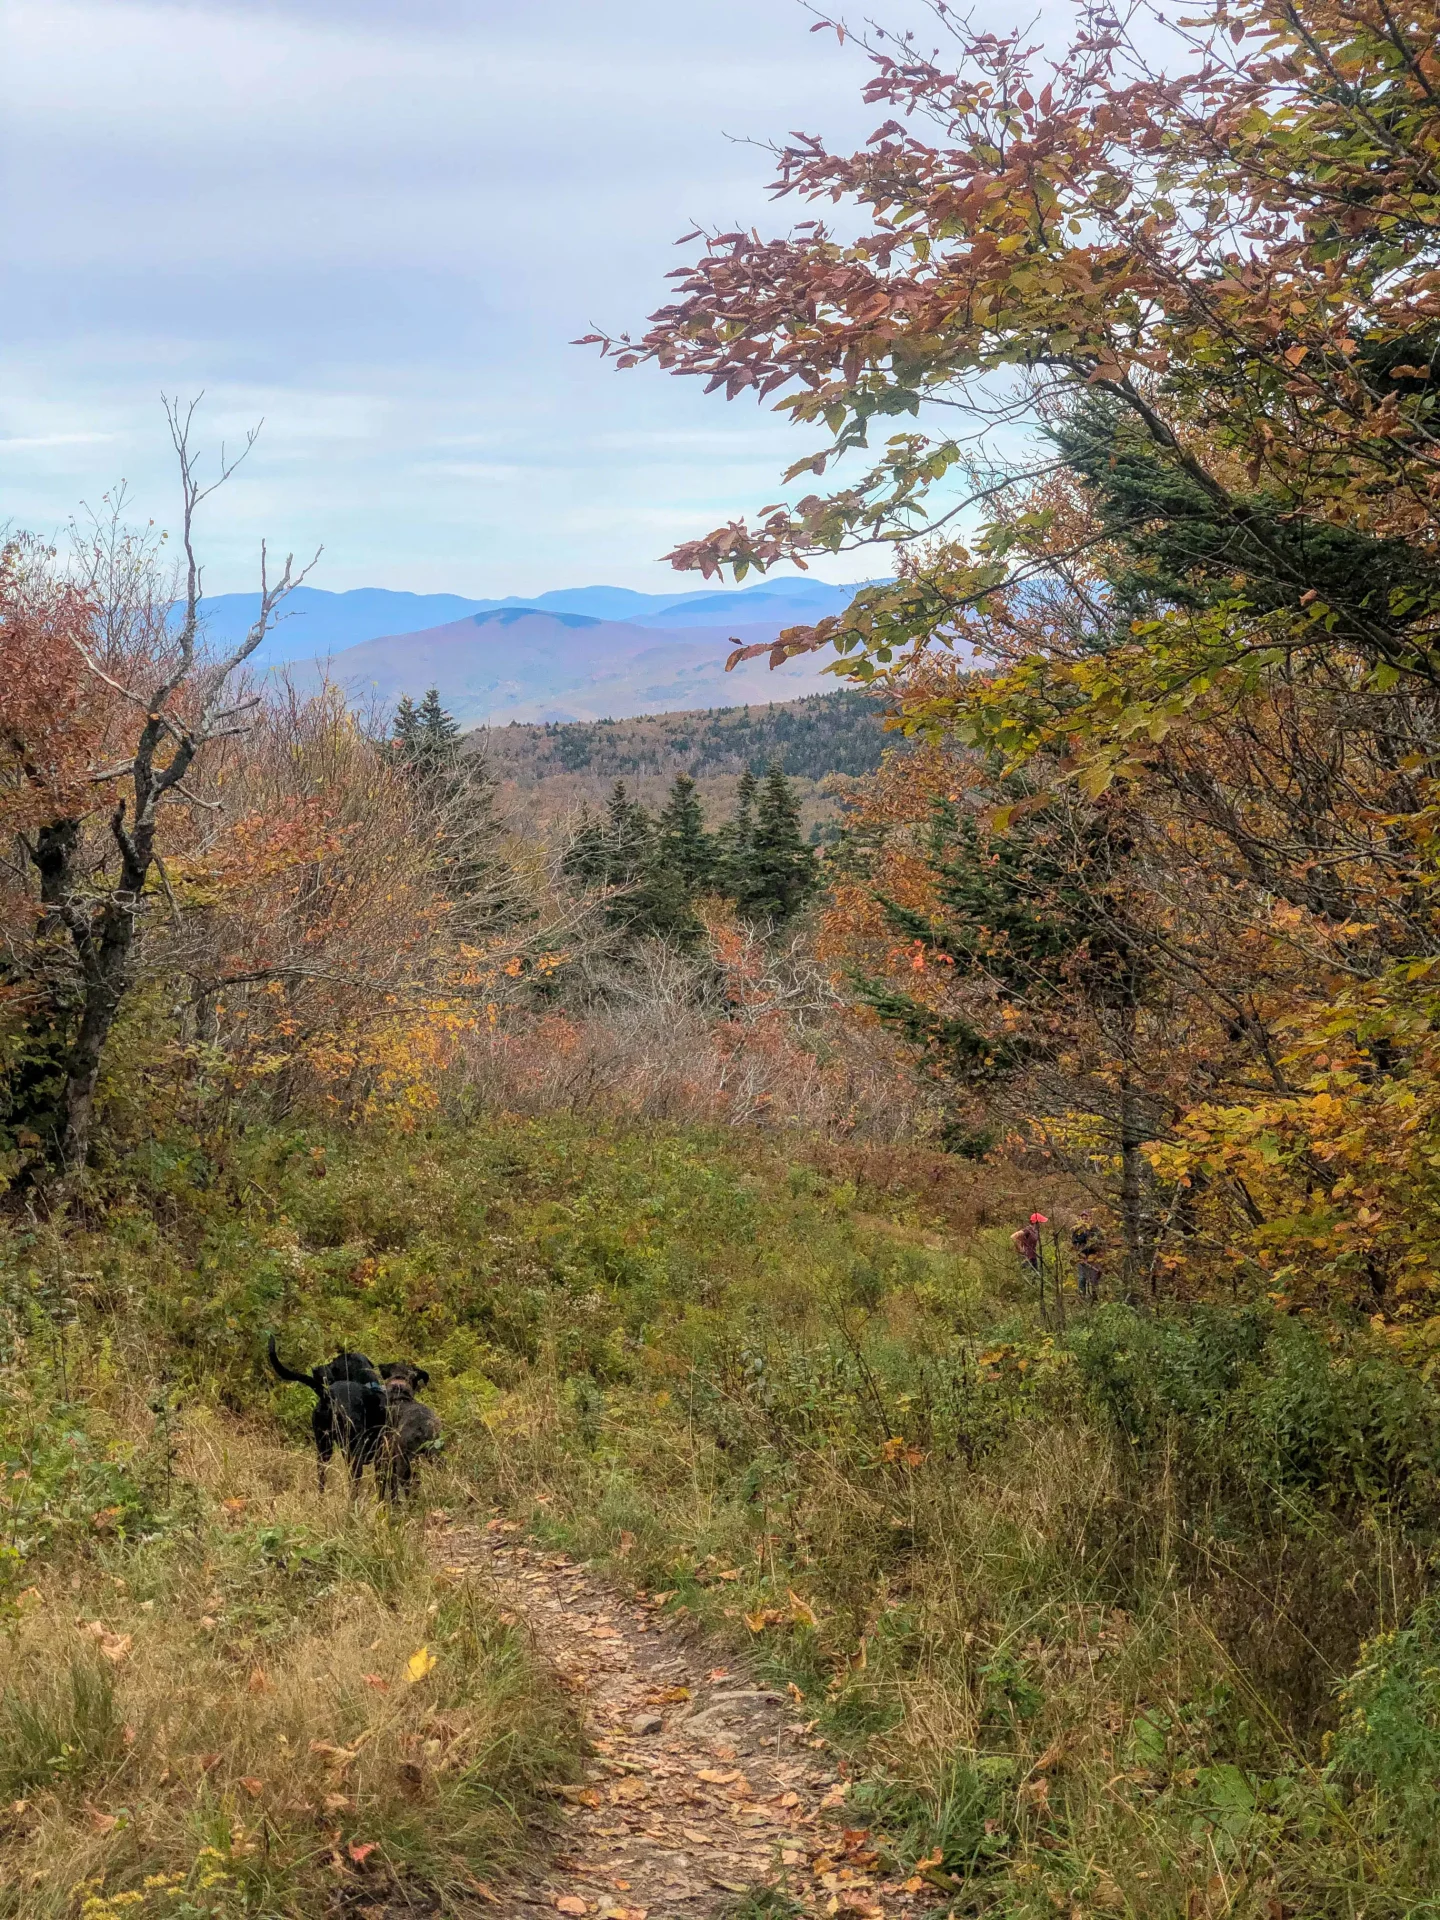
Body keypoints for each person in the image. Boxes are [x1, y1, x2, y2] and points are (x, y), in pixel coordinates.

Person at [1071, 1212, 1104, 1300]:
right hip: (1082, 1257)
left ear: (1090, 1219)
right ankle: (1082, 1297)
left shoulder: (1095, 1230)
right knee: (1082, 1278)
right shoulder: (1077, 1230)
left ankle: (1094, 1297)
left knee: (1094, 1279)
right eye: (1083, 1218)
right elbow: (1074, 1242)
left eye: (1086, 1218)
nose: (1084, 1220)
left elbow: (1101, 1241)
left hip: (1094, 1258)